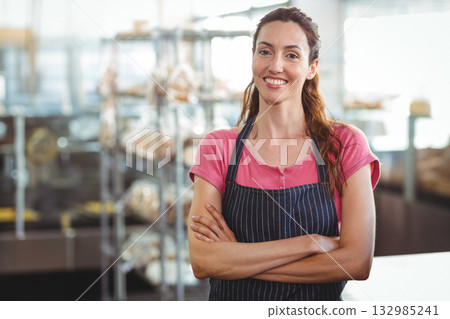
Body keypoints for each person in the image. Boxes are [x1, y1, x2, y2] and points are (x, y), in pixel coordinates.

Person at [187, 7, 380, 301]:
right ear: (253, 58)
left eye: (291, 55)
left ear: (312, 67)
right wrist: (310, 244)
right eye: (265, 52)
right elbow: (203, 262)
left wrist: (235, 260)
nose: (275, 66)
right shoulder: (218, 147)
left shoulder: (345, 145)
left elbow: (356, 262)